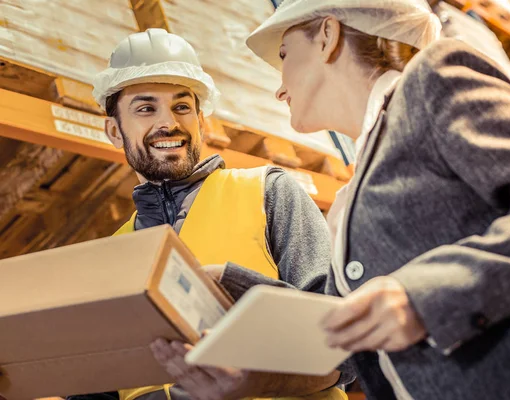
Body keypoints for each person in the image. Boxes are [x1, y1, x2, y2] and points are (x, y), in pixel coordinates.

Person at [156, 0, 510, 399]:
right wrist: (227, 284)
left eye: (285, 56)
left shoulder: (434, 77)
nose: (279, 88)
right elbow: (343, 327)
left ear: (328, 36)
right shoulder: (355, 190)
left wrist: (425, 297)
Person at [68, 28, 350, 400]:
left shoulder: (267, 190)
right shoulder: (110, 258)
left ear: (201, 121)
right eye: (145, 108)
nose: (168, 122)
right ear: (114, 131)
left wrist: (253, 375)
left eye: (182, 106)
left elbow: (341, 346)